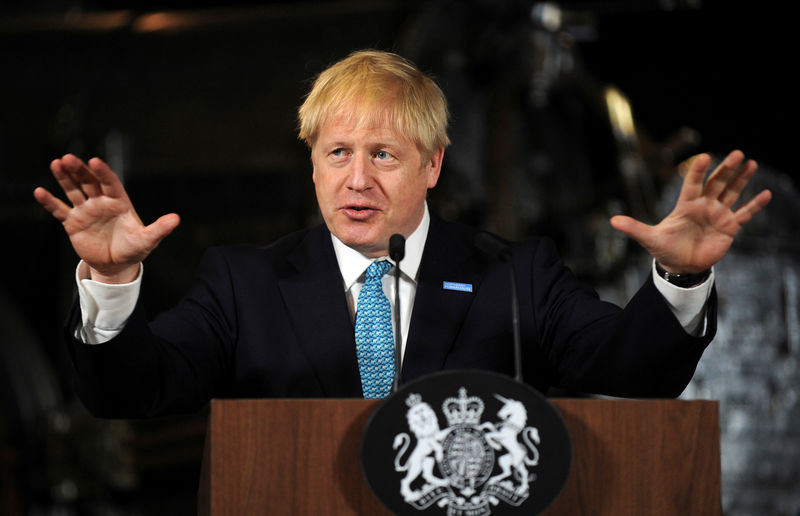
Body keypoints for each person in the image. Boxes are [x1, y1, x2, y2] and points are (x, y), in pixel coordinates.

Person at [33, 50, 771, 417]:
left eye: (383, 154)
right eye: (337, 154)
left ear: (433, 165)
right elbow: (131, 391)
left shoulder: (515, 277)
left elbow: (630, 372)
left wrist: (678, 282)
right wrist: (110, 283)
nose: (358, 180)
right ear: (313, 165)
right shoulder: (243, 282)